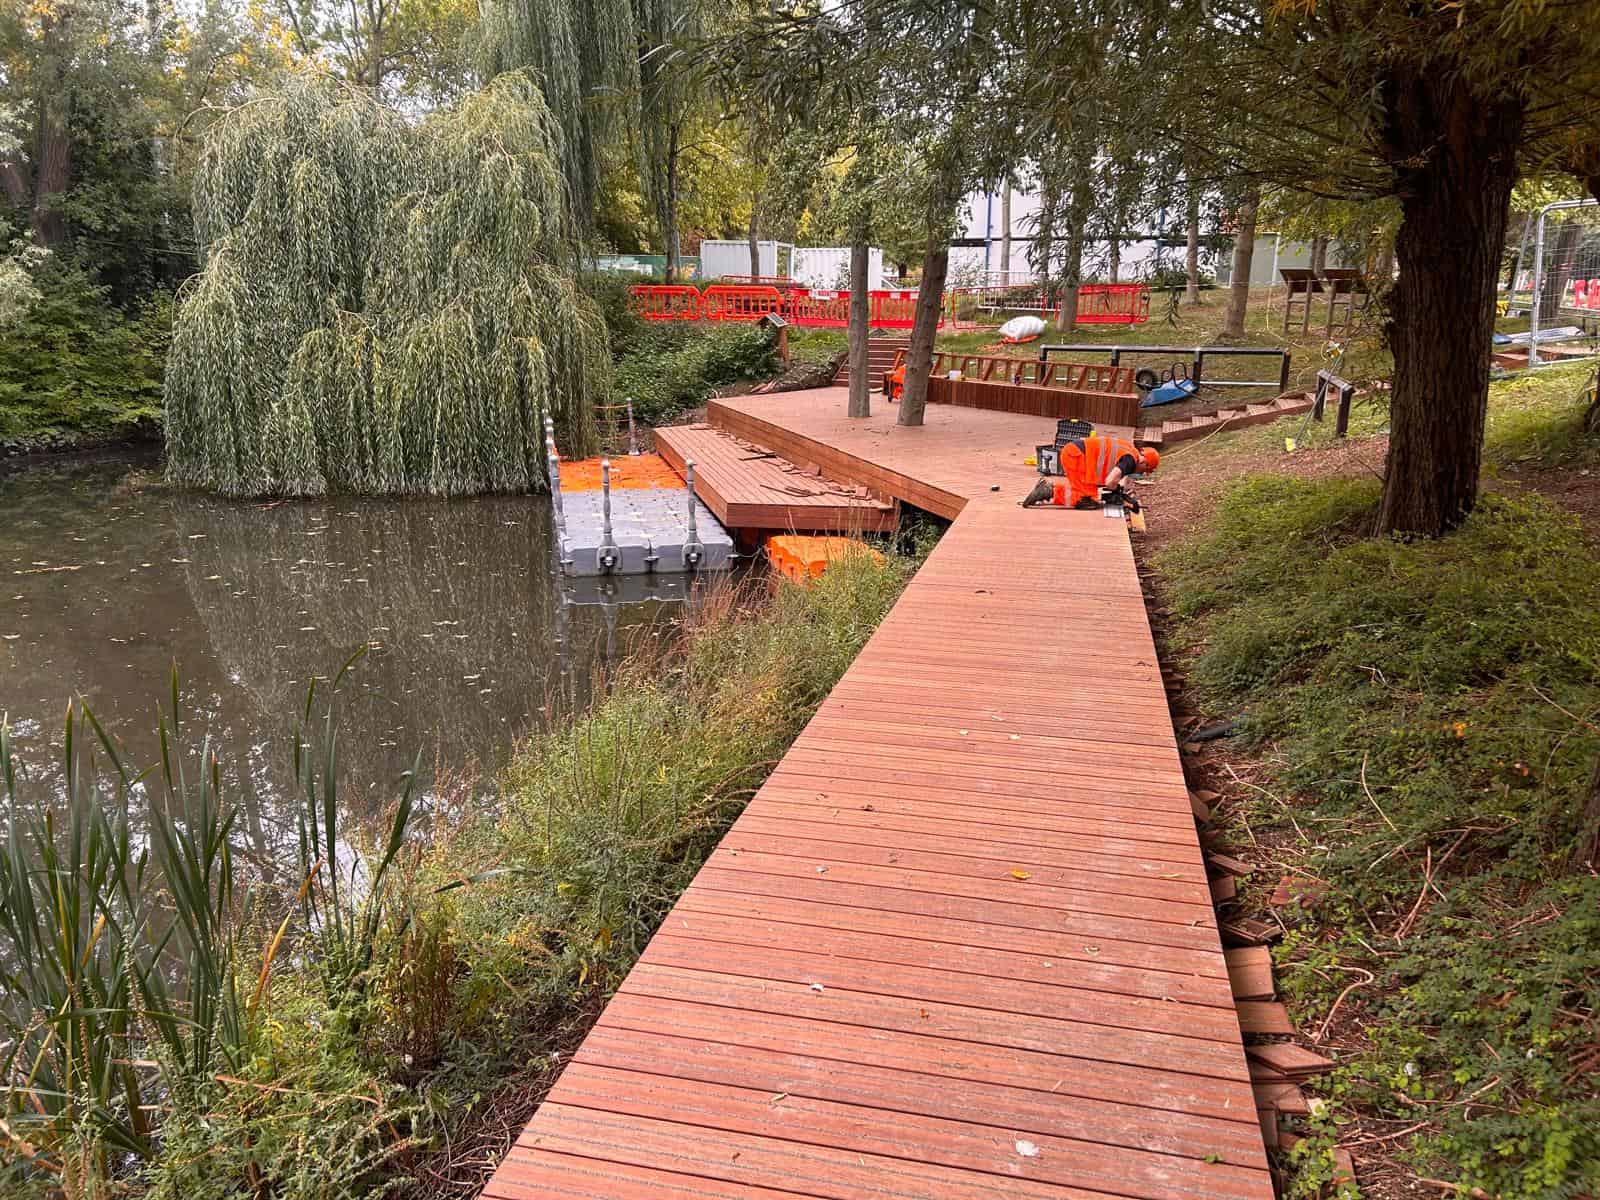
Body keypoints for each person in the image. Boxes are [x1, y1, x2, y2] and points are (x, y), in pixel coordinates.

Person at [1024, 435, 1159, 507]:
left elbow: (1117, 473)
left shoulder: (1130, 450)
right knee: (1086, 500)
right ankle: (1049, 491)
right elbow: (1110, 481)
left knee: (1089, 496)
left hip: (1076, 453)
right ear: (1145, 463)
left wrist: (1118, 489)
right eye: (1144, 471)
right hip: (1076, 456)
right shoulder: (1130, 461)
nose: (1141, 474)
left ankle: (1049, 491)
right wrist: (1115, 490)